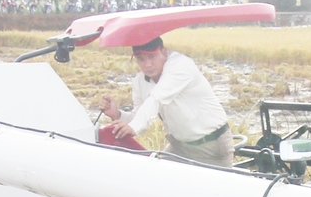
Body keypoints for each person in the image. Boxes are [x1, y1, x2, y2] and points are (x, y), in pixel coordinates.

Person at [97, 36, 234, 167]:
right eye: (141, 59)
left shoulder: (180, 65)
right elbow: (138, 118)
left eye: (152, 56)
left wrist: (134, 126)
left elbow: (157, 99)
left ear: (164, 52)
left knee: (214, 190)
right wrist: (117, 115)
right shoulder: (139, 82)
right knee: (156, 178)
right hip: (179, 146)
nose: (148, 64)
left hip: (212, 145)